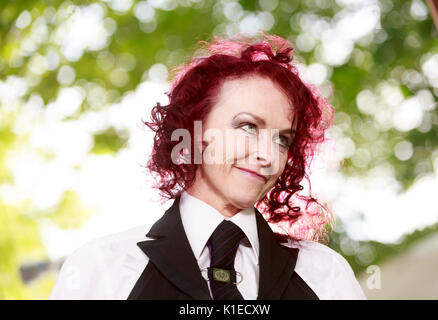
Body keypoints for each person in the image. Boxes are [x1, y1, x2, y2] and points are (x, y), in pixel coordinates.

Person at [49, 33, 366, 300]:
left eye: (282, 139)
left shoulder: (325, 274)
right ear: (194, 131)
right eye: (247, 127)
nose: (268, 155)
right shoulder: (102, 269)